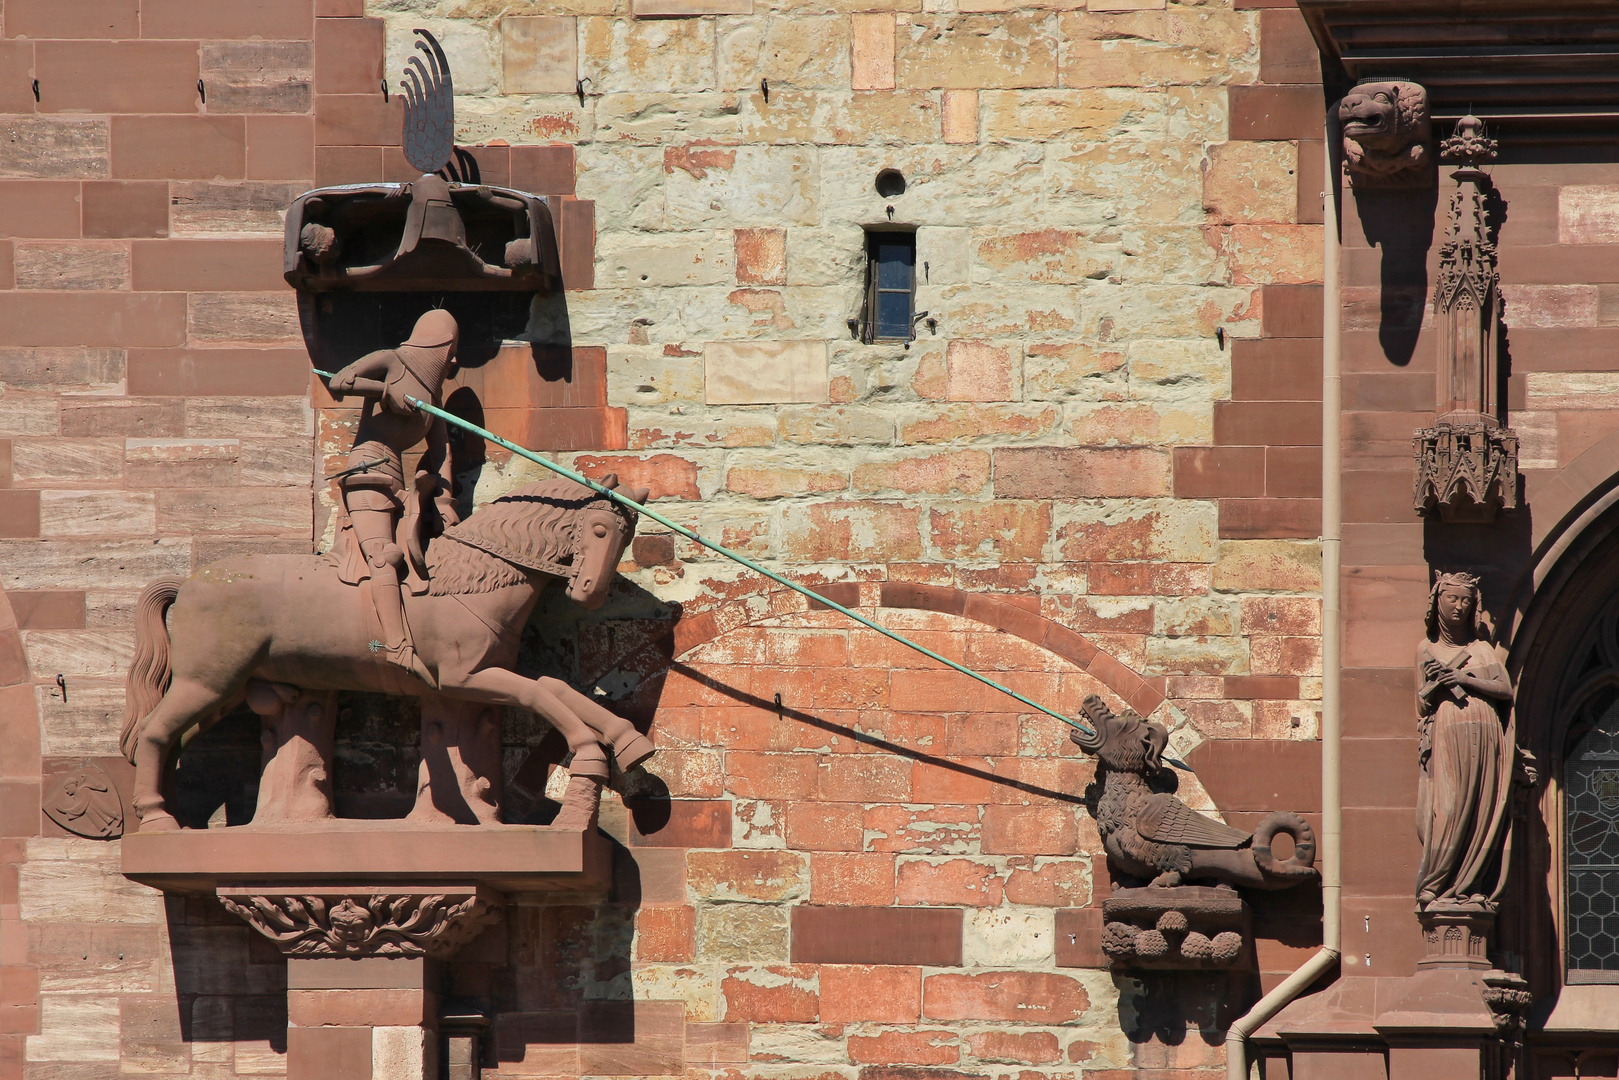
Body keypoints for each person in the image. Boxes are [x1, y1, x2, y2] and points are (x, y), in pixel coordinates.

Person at [325, 309, 459, 685]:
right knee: (386, 556)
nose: (454, 360)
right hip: (367, 467)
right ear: (437, 343)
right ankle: (397, 648)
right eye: (451, 349)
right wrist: (386, 391)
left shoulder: (435, 396)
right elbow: (338, 382)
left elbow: (443, 450)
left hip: (396, 475)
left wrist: (446, 504)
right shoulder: (391, 360)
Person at [1414, 571, 1516, 909]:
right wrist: (1433, 684)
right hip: (1448, 732)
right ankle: (1439, 882)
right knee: (1448, 805)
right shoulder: (1426, 648)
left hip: (1484, 733)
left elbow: (1503, 689)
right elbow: (1421, 703)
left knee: (1479, 808)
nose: (1459, 607)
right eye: (1452, 599)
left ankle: (1470, 882)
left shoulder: (1481, 649)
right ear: (1437, 601)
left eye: (1466, 601)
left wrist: (1464, 678)